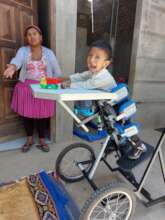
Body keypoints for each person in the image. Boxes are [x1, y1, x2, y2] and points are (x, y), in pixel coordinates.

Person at [61, 40, 146, 159]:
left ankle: (139, 146)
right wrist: (63, 79)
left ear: (105, 63)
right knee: (111, 129)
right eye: (90, 55)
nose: (91, 60)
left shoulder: (103, 76)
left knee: (126, 129)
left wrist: (68, 84)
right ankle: (115, 143)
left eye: (97, 57)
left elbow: (86, 85)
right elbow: (80, 76)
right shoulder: (93, 72)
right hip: (107, 108)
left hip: (118, 109)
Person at [3, 25, 62, 152]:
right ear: (26, 38)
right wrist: (12, 67)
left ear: (41, 37)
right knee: (27, 115)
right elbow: (17, 61)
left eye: (35, 33)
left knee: (42, 115)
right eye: (29, 34)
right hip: (26, 87)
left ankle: (42, 140)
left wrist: (59, 82)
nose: (32, 36)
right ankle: (29, 139)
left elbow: (56, 71)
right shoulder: (23, 50)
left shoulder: (49, 53)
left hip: (44, 87)